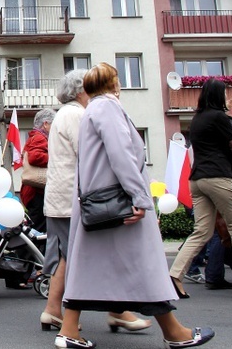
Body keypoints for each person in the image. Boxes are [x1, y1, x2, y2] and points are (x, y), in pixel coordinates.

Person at [58, 63, 214, 349]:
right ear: (113, 83)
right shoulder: (107, 107)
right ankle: (174, 332)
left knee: (91, 267)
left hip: (101, 203)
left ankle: (69, 331)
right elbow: (122, 155)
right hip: (121, 203)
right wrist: (140, 198)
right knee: (144, 265)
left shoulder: (92, 109)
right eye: (118, 79)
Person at [41, 70, 150, 334]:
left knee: (69, 256)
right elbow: (92, 153)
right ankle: (115, 311)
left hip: (61, 197)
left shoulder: (62, 115)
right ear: (81, 90)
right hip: (76, 199)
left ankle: (54, 311)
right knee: (84, 256)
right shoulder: (78, 115)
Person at [169, 80, 232, 301]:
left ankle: (174, 274)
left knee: (202, 231)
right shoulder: (219, 117)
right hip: (219, 177)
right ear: (219, 96)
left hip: (197, 180)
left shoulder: (197, 118)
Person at [21, 108, 55, 233]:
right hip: (36, 192)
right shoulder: (40, 137)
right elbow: (34, 156)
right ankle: (28, 253)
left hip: (32, 191)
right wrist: (55, 157)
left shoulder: (34, 137)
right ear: (45, 124)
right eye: (53, 124)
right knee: (37, 230)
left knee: (36, 228)